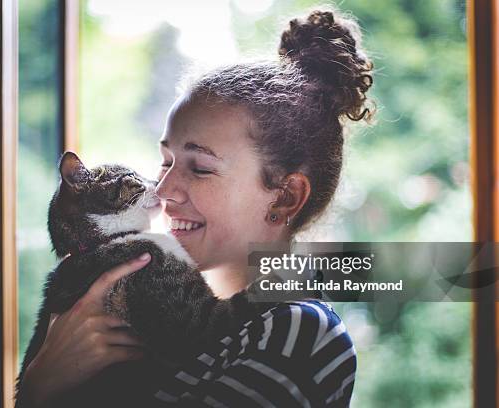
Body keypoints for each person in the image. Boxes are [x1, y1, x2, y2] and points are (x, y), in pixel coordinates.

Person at [21, 7, 373, 407]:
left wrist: (41, 390)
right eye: (165, 162)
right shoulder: (148, 316)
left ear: (285, 195)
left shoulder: (298, 331)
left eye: (200, 168)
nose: (165, 189)